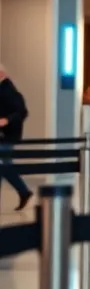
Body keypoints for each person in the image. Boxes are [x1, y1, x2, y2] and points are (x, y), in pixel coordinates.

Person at [0, 65, 32, 212]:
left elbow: (22, 112)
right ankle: (24, 191)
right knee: (4, 165)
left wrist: (6, 120)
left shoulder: (9, 91)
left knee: (4, 165)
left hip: (7, 135)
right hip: (5, 135)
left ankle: (24, 191)